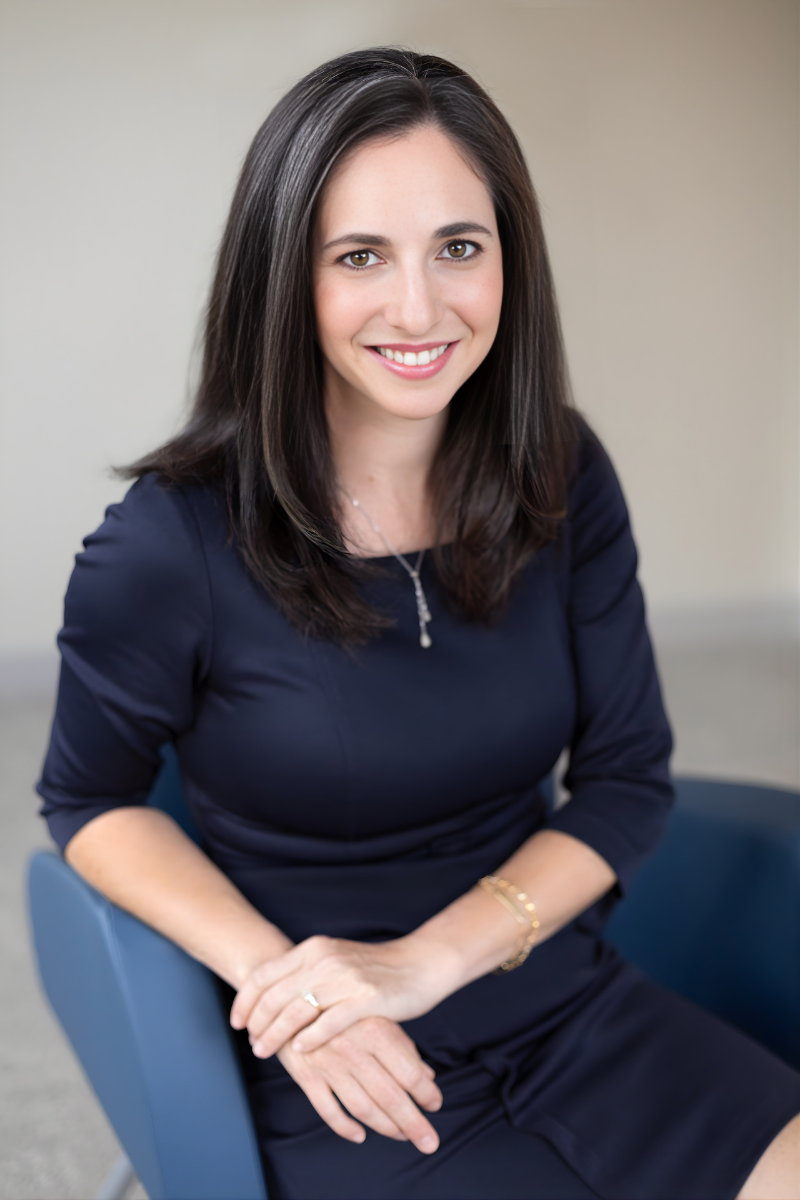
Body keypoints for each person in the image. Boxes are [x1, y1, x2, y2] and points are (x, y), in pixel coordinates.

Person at [38, 48, 800, 1200]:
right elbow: (88, 802)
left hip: (561, 1000)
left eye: (458, 247)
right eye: (359, 257)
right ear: (284, 279)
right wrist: (293, 989)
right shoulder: (169, 540)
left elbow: (626, 779)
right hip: (339, 1063)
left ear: (508, 259)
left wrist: (422, 962)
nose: (418, 307)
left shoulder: (558, 472)